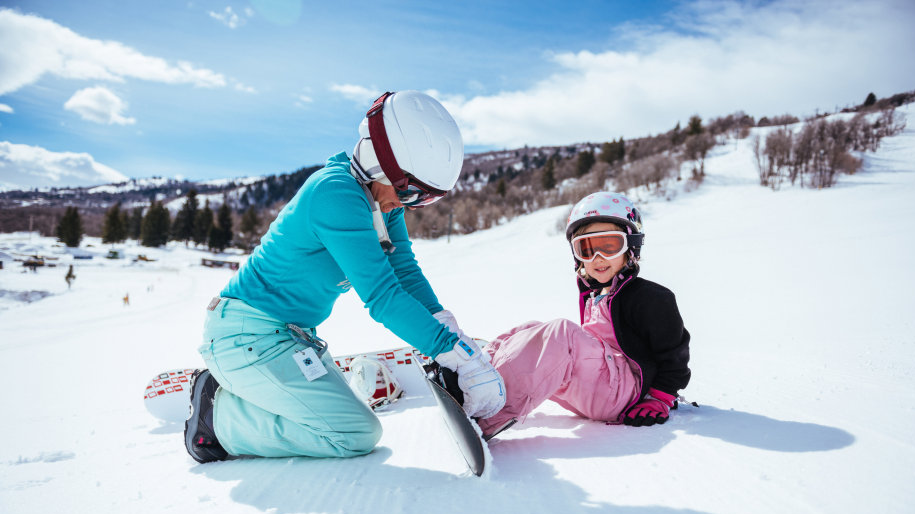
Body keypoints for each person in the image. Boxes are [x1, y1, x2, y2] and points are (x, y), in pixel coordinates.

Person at [184, 90, 506, 464]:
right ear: (381, 162)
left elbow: (405, 274)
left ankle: (255, 392)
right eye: (411, 191)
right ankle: (217, 420)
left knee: (352, 424)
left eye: (424, 199)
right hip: (247, 336)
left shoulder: (381, 202)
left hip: (289, 336)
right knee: (354, 435)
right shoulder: (335, 193)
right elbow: (383, 295)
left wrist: (449, 336)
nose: (409, 204)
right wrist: (453, 353)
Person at [477, 192, 690, 439]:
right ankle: (478, 374)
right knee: (532, 329)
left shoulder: (650, 297)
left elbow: (676, 356)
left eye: (609, 246)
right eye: (587, 249)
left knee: (561, 334)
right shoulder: (596, 295)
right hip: (602, 387)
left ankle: (487, 413)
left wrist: (659, 399)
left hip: (626, 395)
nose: (598, 258)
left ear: (631, 246)